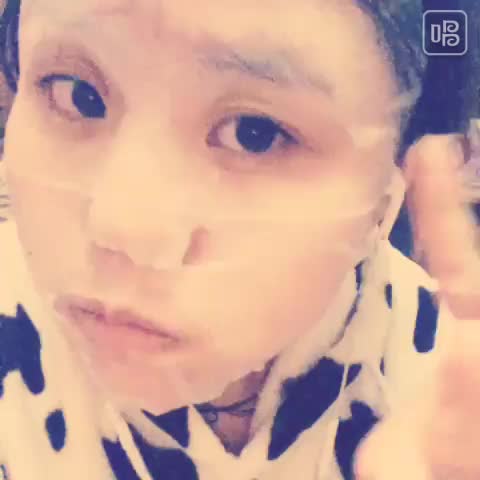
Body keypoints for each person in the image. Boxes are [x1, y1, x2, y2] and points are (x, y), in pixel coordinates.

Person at [0, 1, 479, 479]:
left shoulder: (442, 391)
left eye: (255, 134)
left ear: (386, 198)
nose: (123, 228)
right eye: (79, 95)